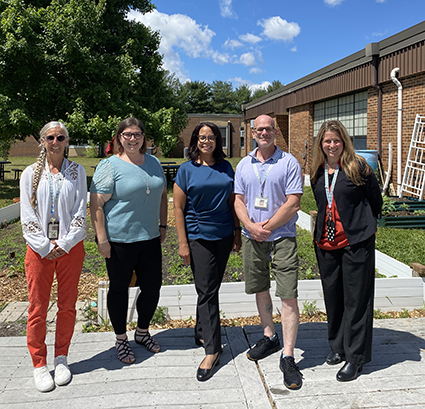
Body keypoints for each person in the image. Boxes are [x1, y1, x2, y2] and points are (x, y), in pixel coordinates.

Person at [234, 114, 304, 390]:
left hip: (282, 237)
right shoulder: (243, 164)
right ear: (252, 132)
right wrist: (251, 226)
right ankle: (269, 336)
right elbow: (238, 200)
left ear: (276, 132)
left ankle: (288, 356)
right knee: (260, 288)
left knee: (288, 294)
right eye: (259, 129)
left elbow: (294, 203)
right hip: (252, 236)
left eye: (269, 129)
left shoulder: (288, 162)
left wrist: (267, 227)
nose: (264, 133)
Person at [90, 117, 167, 365]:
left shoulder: (154, 163)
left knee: (152, 287)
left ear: (144, 137)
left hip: (149, 239)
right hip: (120, 240)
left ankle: (142, 332)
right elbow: (96, 203)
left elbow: (162, 194)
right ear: (119, 138)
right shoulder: (109, 166)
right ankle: (121, 338)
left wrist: (163, 225)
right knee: (119, 289)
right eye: (127, 135)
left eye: (137, 134)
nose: (132, 139)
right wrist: (102, 239)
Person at [310, 120, 382, 381]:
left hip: (355, 243)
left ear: (345, 142)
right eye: (327, 141)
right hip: (327, 245)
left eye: (336, 140)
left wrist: (362, 227)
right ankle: (338, 347)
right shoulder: (317, 171)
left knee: (356, 300)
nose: (332, 145)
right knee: (334, 298)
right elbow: (322, 203)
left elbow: (376, 200)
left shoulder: (358, 168)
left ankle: (355, 357)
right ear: (321, 143)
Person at [20, 121, 87, 392]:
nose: (55, 141)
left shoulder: (76, 171)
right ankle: (39, 363)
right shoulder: (29, 174)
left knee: (67, 305)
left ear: (67, 141)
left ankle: (61, 358)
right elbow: (27, 214)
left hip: (70, 249)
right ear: (42, 141)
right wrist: (46, 246)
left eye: (60, 137)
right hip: (39, 250)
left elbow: (81, 209)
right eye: (50, 137)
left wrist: (66, 241)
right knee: (37, 308)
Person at [174, 122, 241, 381]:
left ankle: (201, 329)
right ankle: (213, 350)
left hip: (223, 235)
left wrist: (236, 232)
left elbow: (232, 201)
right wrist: (182, 242)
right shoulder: (186, 170)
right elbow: (178, 208)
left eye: (211, 137)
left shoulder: (226, 168)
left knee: (210, 287)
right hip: (198, 236)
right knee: (207, 289)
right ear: (195, 141)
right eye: (202, 137)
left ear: (217, 141)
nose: (206, 141)